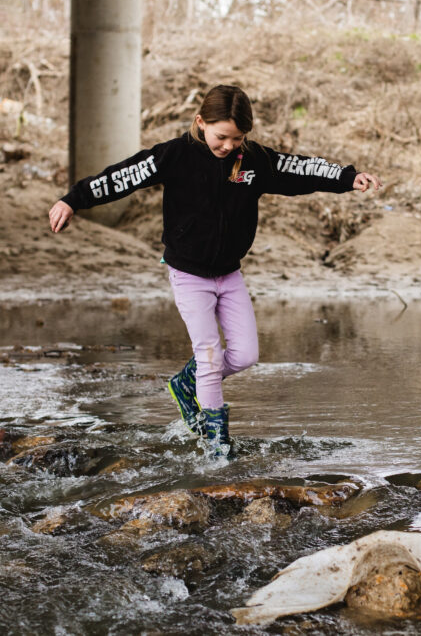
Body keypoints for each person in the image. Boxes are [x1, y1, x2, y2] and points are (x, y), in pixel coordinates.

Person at [48, 84, 381, 456]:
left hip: (229, 273)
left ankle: (185, 384)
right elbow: (123, 176)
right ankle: (217, 449)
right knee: (208, 355)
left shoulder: (254, 160)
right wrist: (73, 200)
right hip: (188, 274)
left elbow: (299, 169)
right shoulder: (174, 155)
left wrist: (346, 178)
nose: (228, 146)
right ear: (201, 122)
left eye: (237, 138)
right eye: (221, 136)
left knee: (244, 355)